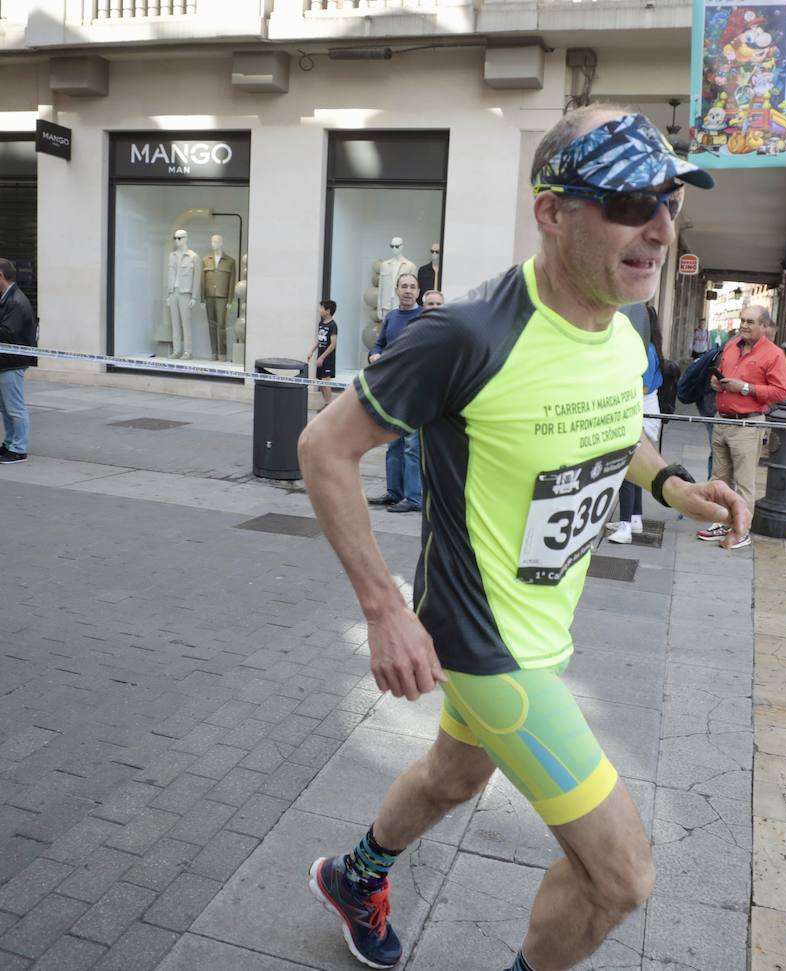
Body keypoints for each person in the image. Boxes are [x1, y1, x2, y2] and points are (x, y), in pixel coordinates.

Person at [298, 106, 745, 971]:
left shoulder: (625, 324)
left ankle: (356, 876)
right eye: (628, 203)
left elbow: (616, 428)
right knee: (620, 876)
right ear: (553, 212)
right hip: (484, 644)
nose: (658, 229)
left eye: (670, 202)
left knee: (455, 776)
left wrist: (672, 485)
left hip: (546, 628)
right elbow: (325, 446)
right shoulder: (466, 335)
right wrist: (386, 609)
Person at [695, 303, 786, 548]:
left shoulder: (774, 354)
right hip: (723, 420)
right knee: (719, 479)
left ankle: (742, 530)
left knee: (745, 481)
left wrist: (744, 388)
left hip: (748, 424)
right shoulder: (731, 346)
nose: (744, 325)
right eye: (743, 320)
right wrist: (716, 383)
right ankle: (721, 524)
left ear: (764, 326)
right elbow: (720, 375)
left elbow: (780, 392)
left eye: (750, 322)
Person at [366, 273, 425, 513]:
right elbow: (379, 343)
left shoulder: (424, 317)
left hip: (414, 391)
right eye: (404, 286)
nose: (408, 290)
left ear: (418, 292)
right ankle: (394, 492)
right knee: (393, 443)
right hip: (393, 390)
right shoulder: (391, 317)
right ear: (397, 291)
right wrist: (374, 354)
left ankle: (414, 499)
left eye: (412, 287)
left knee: (412, 446)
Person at [608, 308, 665, 544]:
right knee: (636, 469)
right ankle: (634, 519)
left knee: (627, 471)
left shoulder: (647, 351)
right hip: (644, 413)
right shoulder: (649, 348)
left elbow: (641, 387)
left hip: (640, 414)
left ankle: (625, 528)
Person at [0, 258, 36, 465]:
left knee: (15, 407)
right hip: (6, 362)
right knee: (6, 407)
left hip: (12, 363)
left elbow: (7, 333)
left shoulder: (15, 301)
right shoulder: (8, 298)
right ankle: (9, 443)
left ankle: (18, 449)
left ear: (1, 276)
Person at [308, 300, 339, 408]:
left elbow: (333, 344)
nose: (319, 310)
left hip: (328, 358)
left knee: (326, 382)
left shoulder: (333, 325)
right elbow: (319, 339)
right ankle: (326, 403)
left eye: (321, 308)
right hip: (320, 357)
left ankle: (330, 405)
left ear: (328, 311)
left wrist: (322, 357)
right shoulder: (321, 324)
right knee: (320, 382)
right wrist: (312, 351)